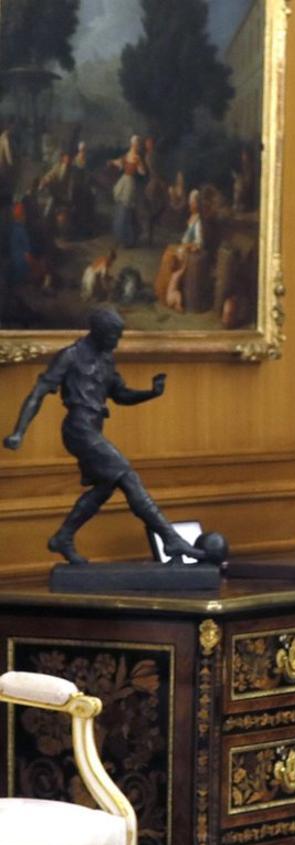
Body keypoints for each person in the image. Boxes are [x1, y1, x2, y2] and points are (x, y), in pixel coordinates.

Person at [3, 309, 207, 565]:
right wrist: (19, 432)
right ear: (99, 331)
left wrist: (151, 393)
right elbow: (38, 393)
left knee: (104, 487)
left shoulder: (106, 359)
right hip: (78, 429)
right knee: (128, 477)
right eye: (114, 336)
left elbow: (120, 395)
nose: (117, 342)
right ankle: (171, 538)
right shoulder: (70, 356)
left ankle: (63, 536)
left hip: (93, 428)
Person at [109, 135, 146, 247]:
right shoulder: (126, 155)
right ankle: (120, 236)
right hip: (123, 181)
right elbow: (119, 162)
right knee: (120, 207)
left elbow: (142, 172)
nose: (135, 146)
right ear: (131, 144)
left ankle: (128, 239)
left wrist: (139, 164)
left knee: (127, 208)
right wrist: (112, 162)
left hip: (130, 184)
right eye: (134, 144)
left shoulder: (137, 158)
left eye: (137, 145)